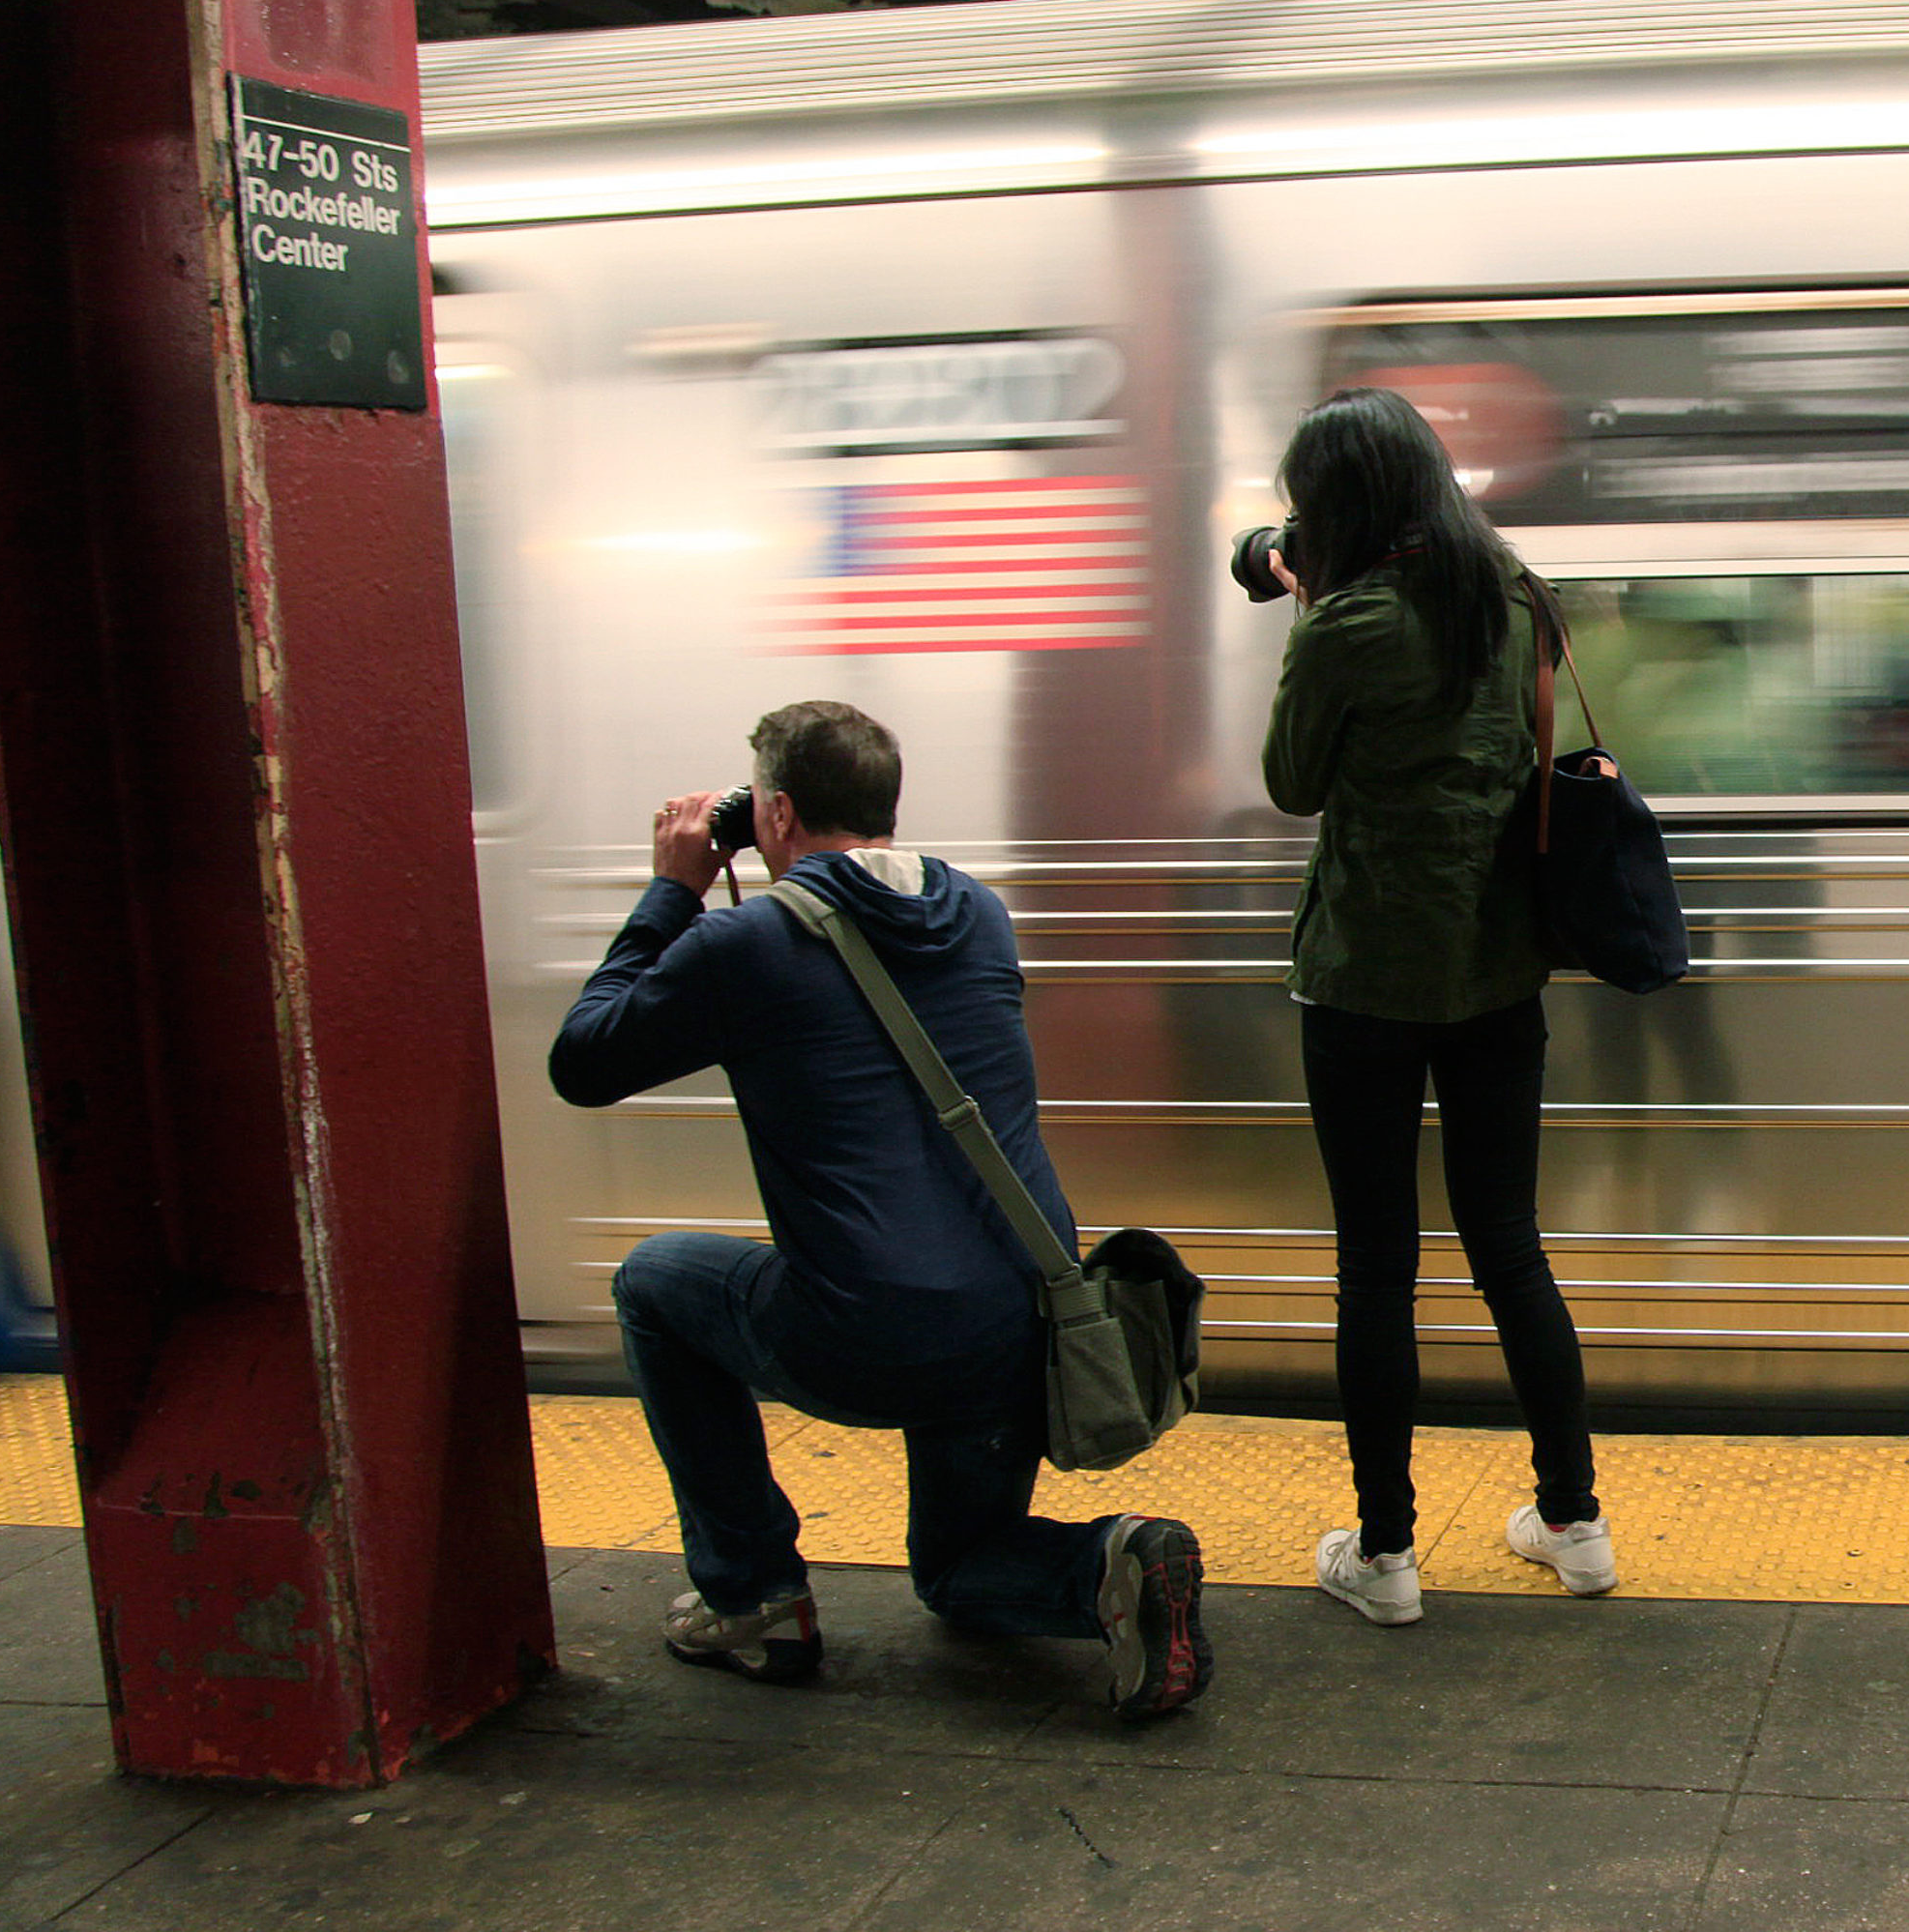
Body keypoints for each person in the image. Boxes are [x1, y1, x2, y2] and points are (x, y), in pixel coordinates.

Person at [549, 701, 1209, 1716]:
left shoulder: (749, 945)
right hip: (1020, 1324)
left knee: (653, 1282)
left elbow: (585, 1062)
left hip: (868, 1330)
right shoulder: (978, 911)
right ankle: (1110, 1565)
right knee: (957, 1569)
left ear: (772, 811)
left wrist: (673, 892)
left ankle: (753, 1598)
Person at [1260, 386, 1614, 1625]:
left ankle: (1390, 1554)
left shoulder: (1348, 620)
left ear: (1336, 508)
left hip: (1364, 977)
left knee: (1378, 1263)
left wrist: (1306, 608)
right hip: (1497, 971)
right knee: (1508, 1244)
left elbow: (1292, 782)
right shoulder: (1516, 599)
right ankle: (1574, 1525)